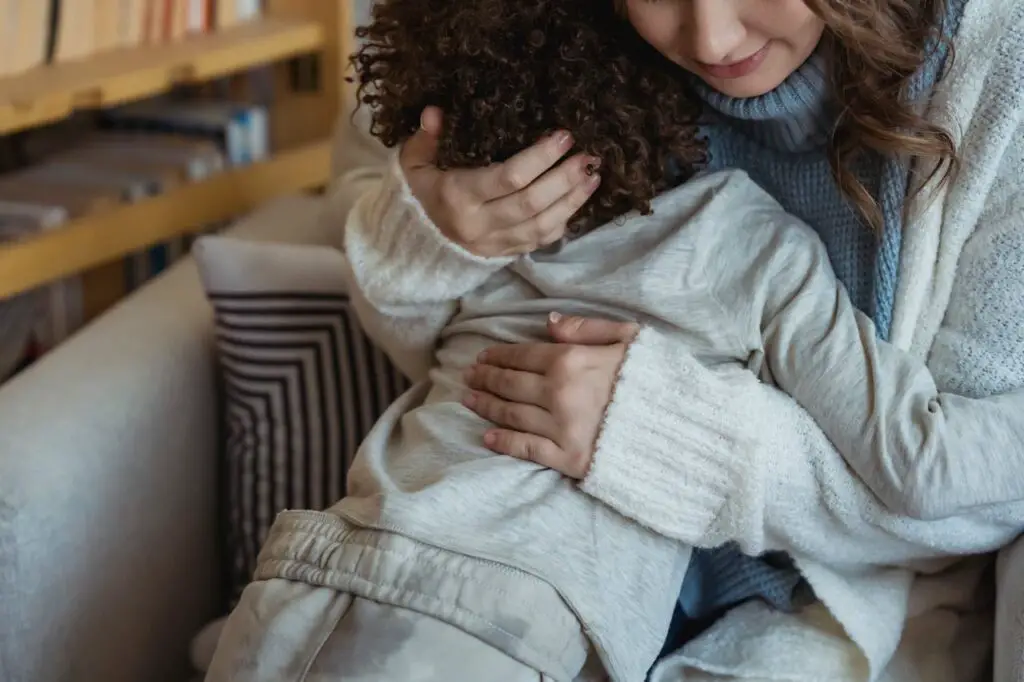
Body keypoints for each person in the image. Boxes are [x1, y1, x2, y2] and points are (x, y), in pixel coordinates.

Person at [206, 0, 1024, 680]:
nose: (710, 40)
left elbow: (953, 495)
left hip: (352, 578)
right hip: (461, 600)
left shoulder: (996, 70)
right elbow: (432, 346)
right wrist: (428, 232)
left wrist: (678, 441)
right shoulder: (691, 212)